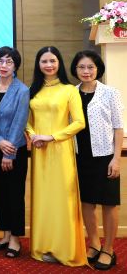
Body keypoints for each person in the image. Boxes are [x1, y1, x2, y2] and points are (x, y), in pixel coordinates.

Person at [26, 46, 87, 266]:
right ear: (38, 64)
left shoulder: (69, 90)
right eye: (44, 61)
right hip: (39, 152)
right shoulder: (33, 90)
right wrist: (34, 136)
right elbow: (27, 120)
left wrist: (51, 137)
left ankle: (64, 249)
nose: (49, 65)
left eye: (53, 60)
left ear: (59, 63)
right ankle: (43, 246)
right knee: (43, 200)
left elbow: (79, 122)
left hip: (61, 151)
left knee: (62, 200)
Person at [71, 50, 122, 270]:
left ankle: (108, 249)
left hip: (105, 157)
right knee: (87, 203)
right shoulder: (71, 93)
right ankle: (94, 244)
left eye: (90, 67)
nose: (86, 71)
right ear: (75, 69)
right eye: (81, 67)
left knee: (109, 203)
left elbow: (118, 128)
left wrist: (116, 159)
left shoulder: (110, 93)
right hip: (79, 157)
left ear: (98, 69)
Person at [0, 46, 29, 259]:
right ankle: (5, 235)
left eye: (9, 62)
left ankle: (15, 238)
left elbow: (20, 121)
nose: (4, 65)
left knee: (14, 195)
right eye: (0, 61)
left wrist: (8, 152)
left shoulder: (22, 90)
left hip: (15, 151)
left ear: (15, 66)